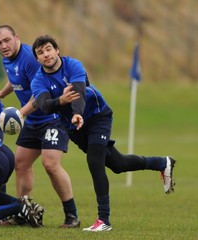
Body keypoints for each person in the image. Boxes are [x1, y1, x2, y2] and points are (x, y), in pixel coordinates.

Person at [30, 35, 176, 232]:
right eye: (40, 53)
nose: (45, 54)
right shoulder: (38, 80)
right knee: (118, 164)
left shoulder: (73, 65)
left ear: (57, 50)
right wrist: (61, 102)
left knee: (94, 161)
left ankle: (104, 220)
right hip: (75, 128)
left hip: (98, 116)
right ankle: (162, 163)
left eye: (48, 49)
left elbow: (80, 92)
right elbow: (45, 106)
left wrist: (76, 113)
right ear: (37, 59)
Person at [0, 25, 80, 227]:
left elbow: (40, 96)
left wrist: (20, 114)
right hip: (32, 121)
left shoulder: (30, 58)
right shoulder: (8, 58)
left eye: (7, 41)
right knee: (20, 163)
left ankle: (72, 215)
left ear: (16, 37)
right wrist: (2, 94)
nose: (3, 46)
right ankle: (22, 213)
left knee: (51, 164)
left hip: (52, 117)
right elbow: (16, 79)